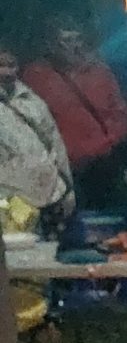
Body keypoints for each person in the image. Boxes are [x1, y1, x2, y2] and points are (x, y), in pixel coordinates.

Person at [23, 13, 127, 207]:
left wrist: (110, 142)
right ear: (50, 44)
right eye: (67, 41)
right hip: (67, 173)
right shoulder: (36, 78)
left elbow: (120, 112)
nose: (75, 46)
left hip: (108, 165)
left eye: (77, 39)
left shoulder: (99, 72)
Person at [0, 33, 74, 227]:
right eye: (0, 65)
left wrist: (68, 189)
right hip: (8, 202)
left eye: (11, 65)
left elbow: (55, 144)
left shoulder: (32, 101)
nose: (6, 72)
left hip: (49, 196)